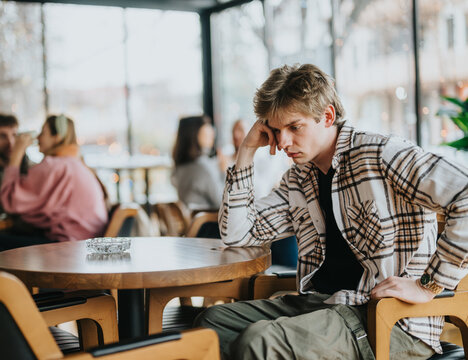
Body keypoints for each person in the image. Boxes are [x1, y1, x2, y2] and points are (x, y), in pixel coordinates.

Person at [194, 64, 468, 360]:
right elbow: (238, 234)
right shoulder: (299, 179)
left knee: (260, 341)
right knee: (209, 325)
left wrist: (428, 285)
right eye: (275, 130)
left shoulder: (381, 153)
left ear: (327, 116)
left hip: (387, 318)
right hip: (323, 304)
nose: (283, 142)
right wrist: (246, 150)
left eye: (294, 127)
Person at [0, 114, 108, 245]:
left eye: (43, 132)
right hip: (85, 241)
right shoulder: (75, 163)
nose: (38, 138)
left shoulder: (53, 166)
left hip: (69, 245)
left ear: (57, 138)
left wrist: (17, 152)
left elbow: (11, 200)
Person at [171, 115, 225, 210]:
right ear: (195, 134)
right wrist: (224, 172)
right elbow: (223, 202)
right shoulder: (202, 168)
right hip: (209, 222)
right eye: (207, 132)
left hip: (193, 222)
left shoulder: (180, 166)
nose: (212, 132)